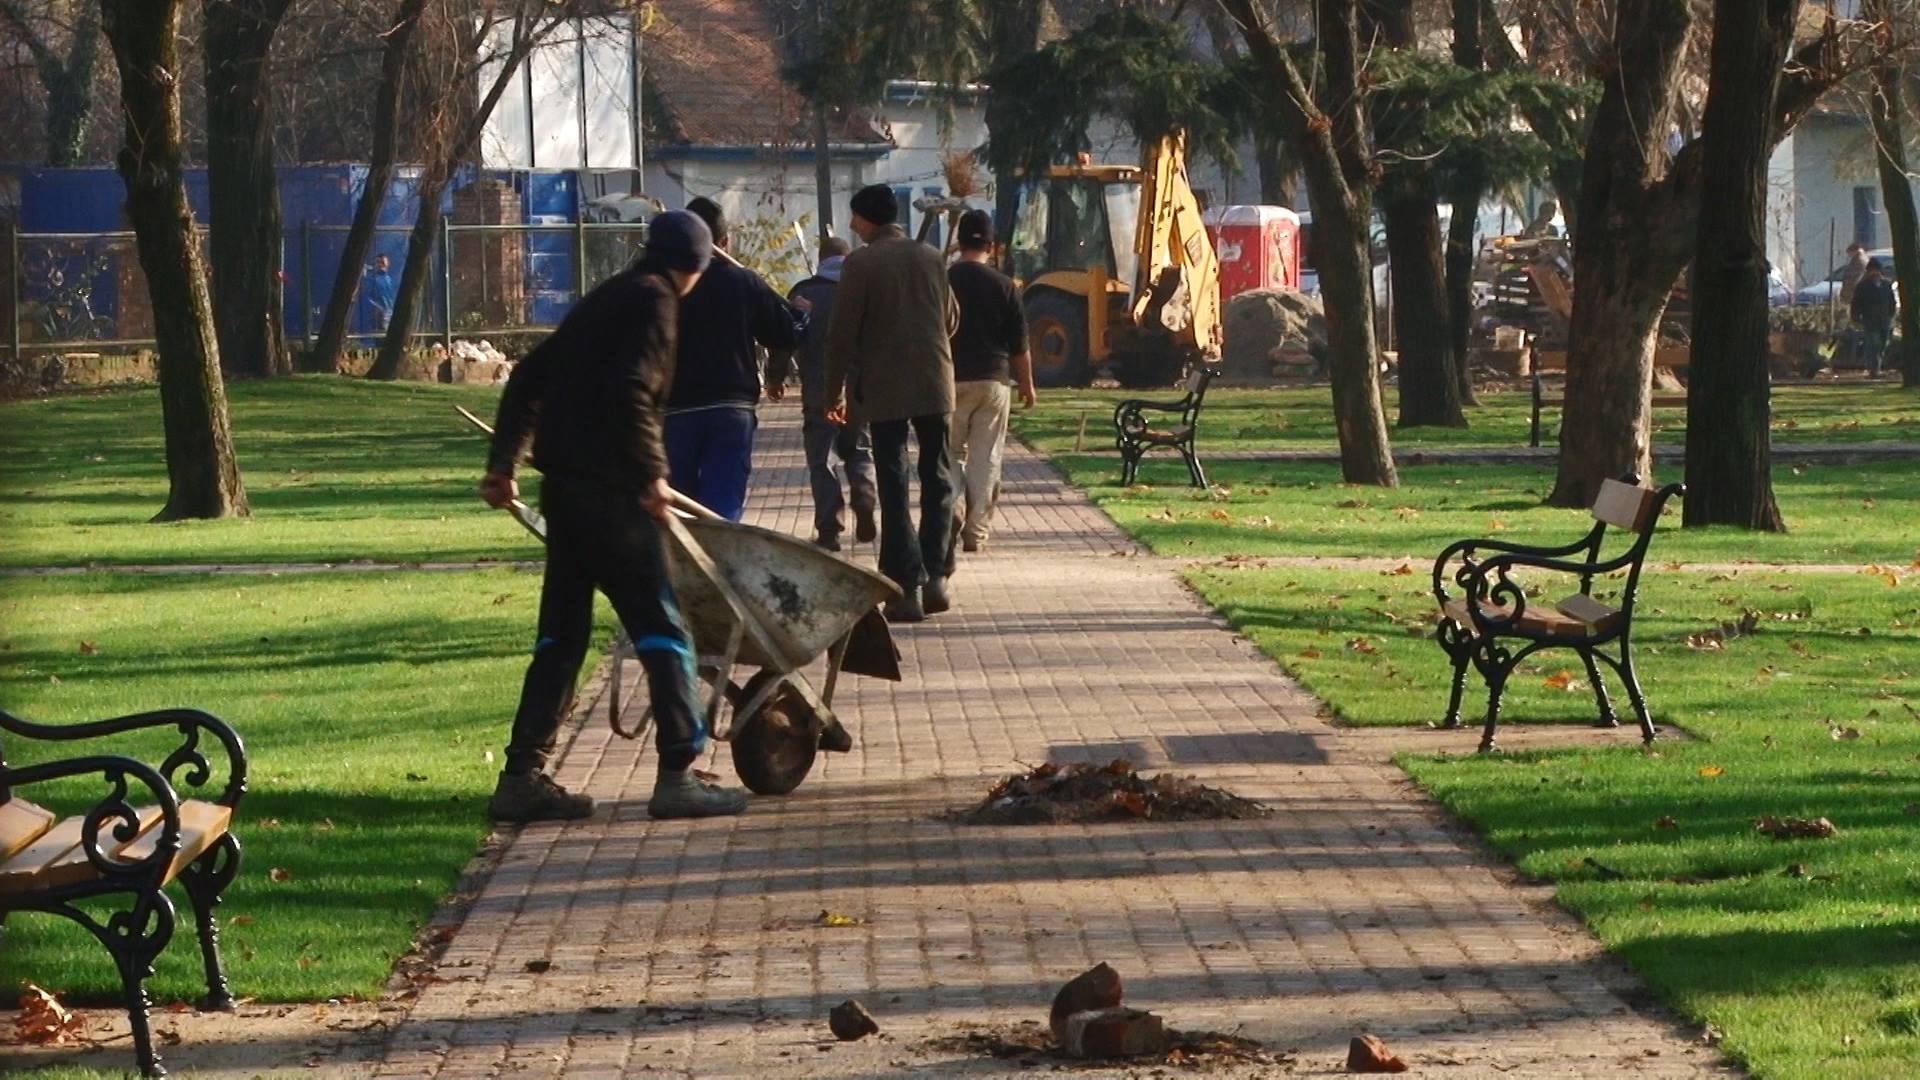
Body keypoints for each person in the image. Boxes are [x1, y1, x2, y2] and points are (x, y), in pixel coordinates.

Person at [479, 210, 748, 823]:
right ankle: (679, 774)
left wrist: (503, 464)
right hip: (614, 499)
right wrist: (653, 474)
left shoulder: (606, 297)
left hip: (566, 494)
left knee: (561, 638)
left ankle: (521, 778)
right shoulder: (657, 302)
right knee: (664, 630)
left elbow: (528, 377)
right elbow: (632, 389)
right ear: (696, 267)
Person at [825, 183, 960, 623]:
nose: (851, 225)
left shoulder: (861, 263)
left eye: (854, 217)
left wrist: (833, 391)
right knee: (938, 476)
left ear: (867, 220)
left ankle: (906, 585)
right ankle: (937, 573)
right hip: (936, 381)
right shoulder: (932, 257)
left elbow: (843, 332)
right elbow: (951, 319)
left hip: (885, 385)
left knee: (894, 481)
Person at [663, 197, 808, 521]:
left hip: (676, 406)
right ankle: (720, 550)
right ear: (724, 241)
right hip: (730, 406)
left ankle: (680, 551)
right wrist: (800, 316)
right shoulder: (743, 282)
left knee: (677, 504)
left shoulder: (661, 285)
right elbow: (783, 334)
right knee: (723, 503)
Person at [766, 237, 877, 551]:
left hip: (817, 386)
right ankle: (864, 495)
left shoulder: (803, 293)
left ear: (820, 259)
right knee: (859, 448)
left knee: (821, 459)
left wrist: (775, 378)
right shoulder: (863, 291)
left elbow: (785, 337)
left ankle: (829, 528)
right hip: (859, 387)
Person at [946, 209, 1035, 553]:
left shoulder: (943, 281)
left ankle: (953, 506)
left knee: (949, 452)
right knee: (986, 458)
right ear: (992, 245)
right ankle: (976, 532)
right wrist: (1026, 384)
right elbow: (1020, 345)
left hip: (950, 379)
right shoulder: (1005, 286)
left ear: (959, 243)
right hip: (994, 380)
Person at [1850, 258, 1896, 377]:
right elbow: (1856, 302)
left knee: (1883, 345)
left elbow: (1892, 301)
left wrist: (1891, 315)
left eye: (1876, 270)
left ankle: (1877, 367)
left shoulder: (1886, 285)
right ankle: (1873, 369)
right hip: (1870, 320)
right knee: (1873, 344)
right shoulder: (1863, 286)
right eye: (1872, 270)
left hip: (1884, 320)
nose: (1874, 273)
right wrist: (1855, 316)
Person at [365, 254, 397, 331]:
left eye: (382, 262)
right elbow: (367, 297)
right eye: (378, 262)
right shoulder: (372, 280)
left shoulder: (391, 279)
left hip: (391, 313)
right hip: (380, 315)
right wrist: (378, 308)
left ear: (388, 263)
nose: (380, 265)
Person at [1838, 243, 1870, 307]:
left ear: (1855, 251)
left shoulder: (1859, 260)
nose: (1849, 255)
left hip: (1855, 292)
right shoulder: (1862, 258)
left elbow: (1854, 278)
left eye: (1849, 253)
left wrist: (1847, 291)